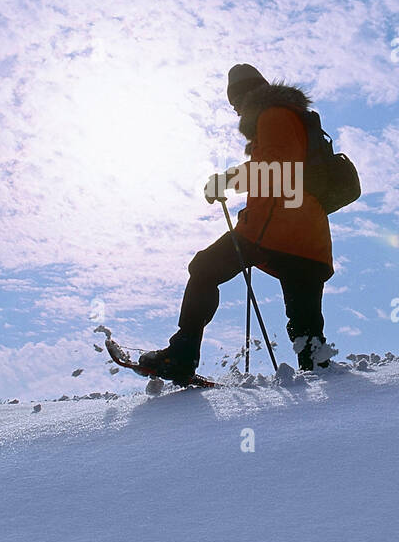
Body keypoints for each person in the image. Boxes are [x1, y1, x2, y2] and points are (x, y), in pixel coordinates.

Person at [140, 63, 334, 382]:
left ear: (245, 96)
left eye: (235, 103)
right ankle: (327, 389)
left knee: (203, 269)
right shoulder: (292, 117)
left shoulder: (273, 116)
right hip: (310, 241)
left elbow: (276, 171)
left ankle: (182, 355)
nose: (235, 110)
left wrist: (226, 179)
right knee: (306, 328)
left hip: (273, 231)